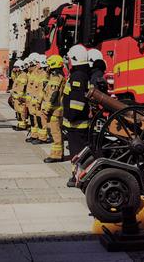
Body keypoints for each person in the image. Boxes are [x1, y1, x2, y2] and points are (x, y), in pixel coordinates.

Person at [62, 44, 91, 187]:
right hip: (75, 124)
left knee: (78, 153)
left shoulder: (77, 77)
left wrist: (70, 117)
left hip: (76, 124)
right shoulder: (78, 75)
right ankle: (77, 176)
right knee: (76, 152)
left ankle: (80, 177)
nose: (67, 62)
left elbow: (76, 103)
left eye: (68, 59)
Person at [41, 55, 66, 163]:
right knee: (57, 132)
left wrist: (47, 109)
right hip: (56, 109)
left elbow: (53, 94)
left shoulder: (56, 77)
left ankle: (56, 155)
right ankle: (59, 154)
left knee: (55, 133)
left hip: (54, 110)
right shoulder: (56, 76)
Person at [11, 60, 29, 131]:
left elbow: (23, 87)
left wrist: (20, 96)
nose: (15, 68)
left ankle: (22, 125)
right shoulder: (19, 75)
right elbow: (14, 80)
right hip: (17, 97)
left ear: (21, 67)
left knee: (21, 112)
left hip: (20, 98)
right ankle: (20, 124)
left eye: (16, 67)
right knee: (18, 111)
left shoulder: (23, 75)